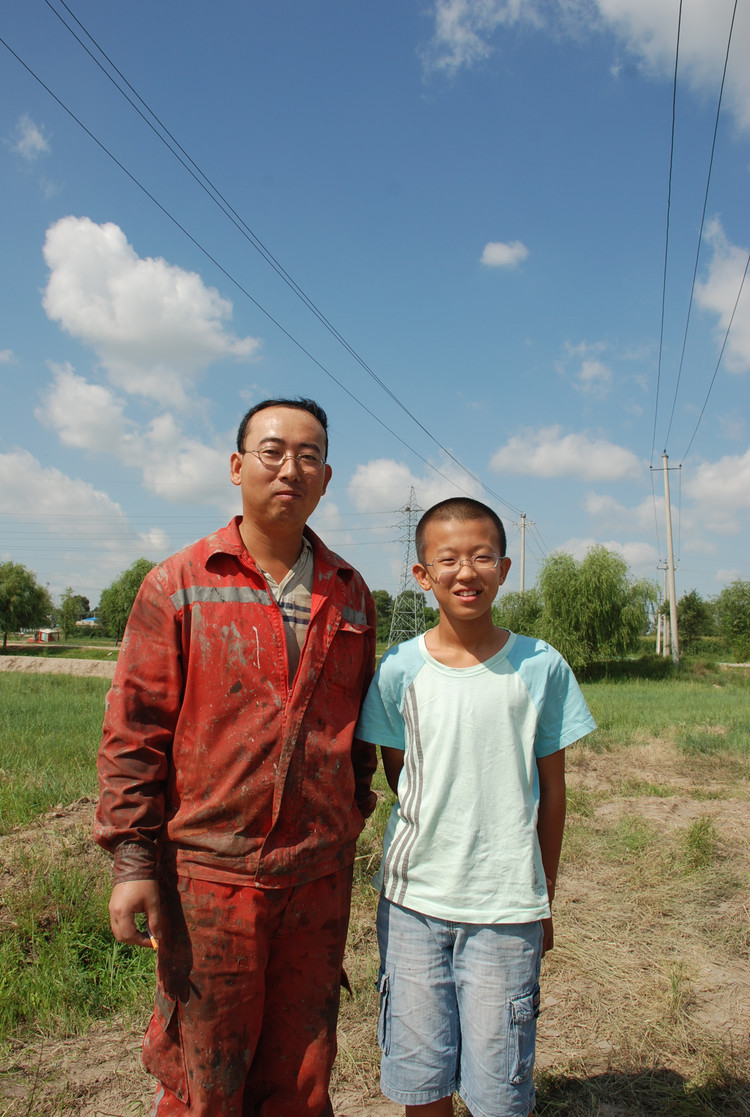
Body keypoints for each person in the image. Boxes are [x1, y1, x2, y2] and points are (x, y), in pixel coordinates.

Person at [94, 398, 377, 1117]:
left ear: (328, 475)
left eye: (309, 455)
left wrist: (350, 813)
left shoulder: (350, 593)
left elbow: (362, 734)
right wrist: (134, 862)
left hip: (317, 879)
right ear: (236, 466)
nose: (291, 468)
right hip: (209, 878)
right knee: (205, 1079)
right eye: (273, 451)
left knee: (304, 1075)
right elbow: (135, 732)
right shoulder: (181, 582)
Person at [355, 497, 596, 1117]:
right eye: (449, 559)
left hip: (505, 905)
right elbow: (399, 771)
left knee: (498, 1087)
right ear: (422, 575)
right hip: (411, 902)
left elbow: (554, 792)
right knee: (421, 1077)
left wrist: (543, 895)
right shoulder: (399, 669)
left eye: (482, 556)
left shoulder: (541, 666)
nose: (467, 572)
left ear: (505, 568)